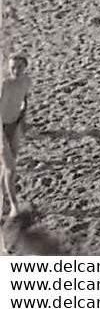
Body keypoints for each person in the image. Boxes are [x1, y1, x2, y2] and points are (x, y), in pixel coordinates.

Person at [0, 55, 31, 219]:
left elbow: (24, 100)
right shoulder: (4, 85)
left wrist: (23, 121)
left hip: (15, 125)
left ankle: (3, 202)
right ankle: (14, 206)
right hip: (1, 128)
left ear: (25, 67)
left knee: (7, 168)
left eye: (19, 67)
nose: (16, 71)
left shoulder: (26, 81)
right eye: (13, 67)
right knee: (11, 169)